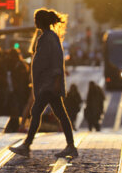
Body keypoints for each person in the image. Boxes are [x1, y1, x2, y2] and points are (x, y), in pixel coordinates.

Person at [10, 8, 77, 158]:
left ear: (40, 21)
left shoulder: (49, 38)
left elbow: (56, 61)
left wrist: (56, 81)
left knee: (37, 112)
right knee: (60, 114)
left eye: (36, 20)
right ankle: (70, 145)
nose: (34, 22)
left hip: (49, 84)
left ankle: (27, 145)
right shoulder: (47, 37)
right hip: (46, 84)